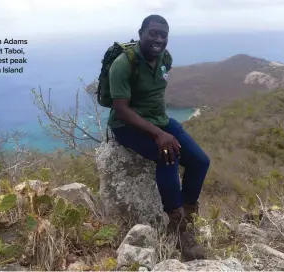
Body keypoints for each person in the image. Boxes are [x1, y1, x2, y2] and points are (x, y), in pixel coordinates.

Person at [107, 14, 210, 260]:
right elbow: (121, 109)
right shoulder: (123, 64)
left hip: (160, 120)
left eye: (163, 35)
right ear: (141, 32)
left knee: (200, 161)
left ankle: (188, 215)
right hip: (127, 125)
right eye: (153, 33)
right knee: (169, 155)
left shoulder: (165, 58)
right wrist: (158, 134)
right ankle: (178, 228)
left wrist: (162, 128)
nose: (159, 39)